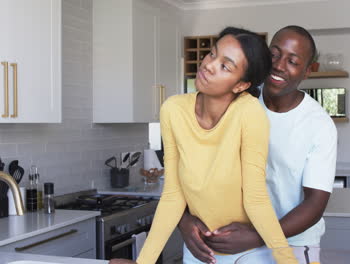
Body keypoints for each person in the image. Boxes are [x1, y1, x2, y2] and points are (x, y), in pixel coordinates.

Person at [109, 27, 298, 264]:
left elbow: (255, 197)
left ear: (240, 85)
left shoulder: (249, 113)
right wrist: (143, 262)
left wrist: (287, 260)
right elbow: (173, 194)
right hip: (202, 252)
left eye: (225, 66)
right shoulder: (173, 109)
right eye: (212, 54)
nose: (208, 65)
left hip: (248, 252)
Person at [178, 25, 337, 264]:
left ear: (309, 70)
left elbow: (315, 204)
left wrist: (258, 236)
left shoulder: (319, 125)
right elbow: (190, 168)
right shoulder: (237, 98)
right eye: (274, 54)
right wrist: (184, 221)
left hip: (289, 241)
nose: (279, 65)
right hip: (222, 239)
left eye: (292, 61)